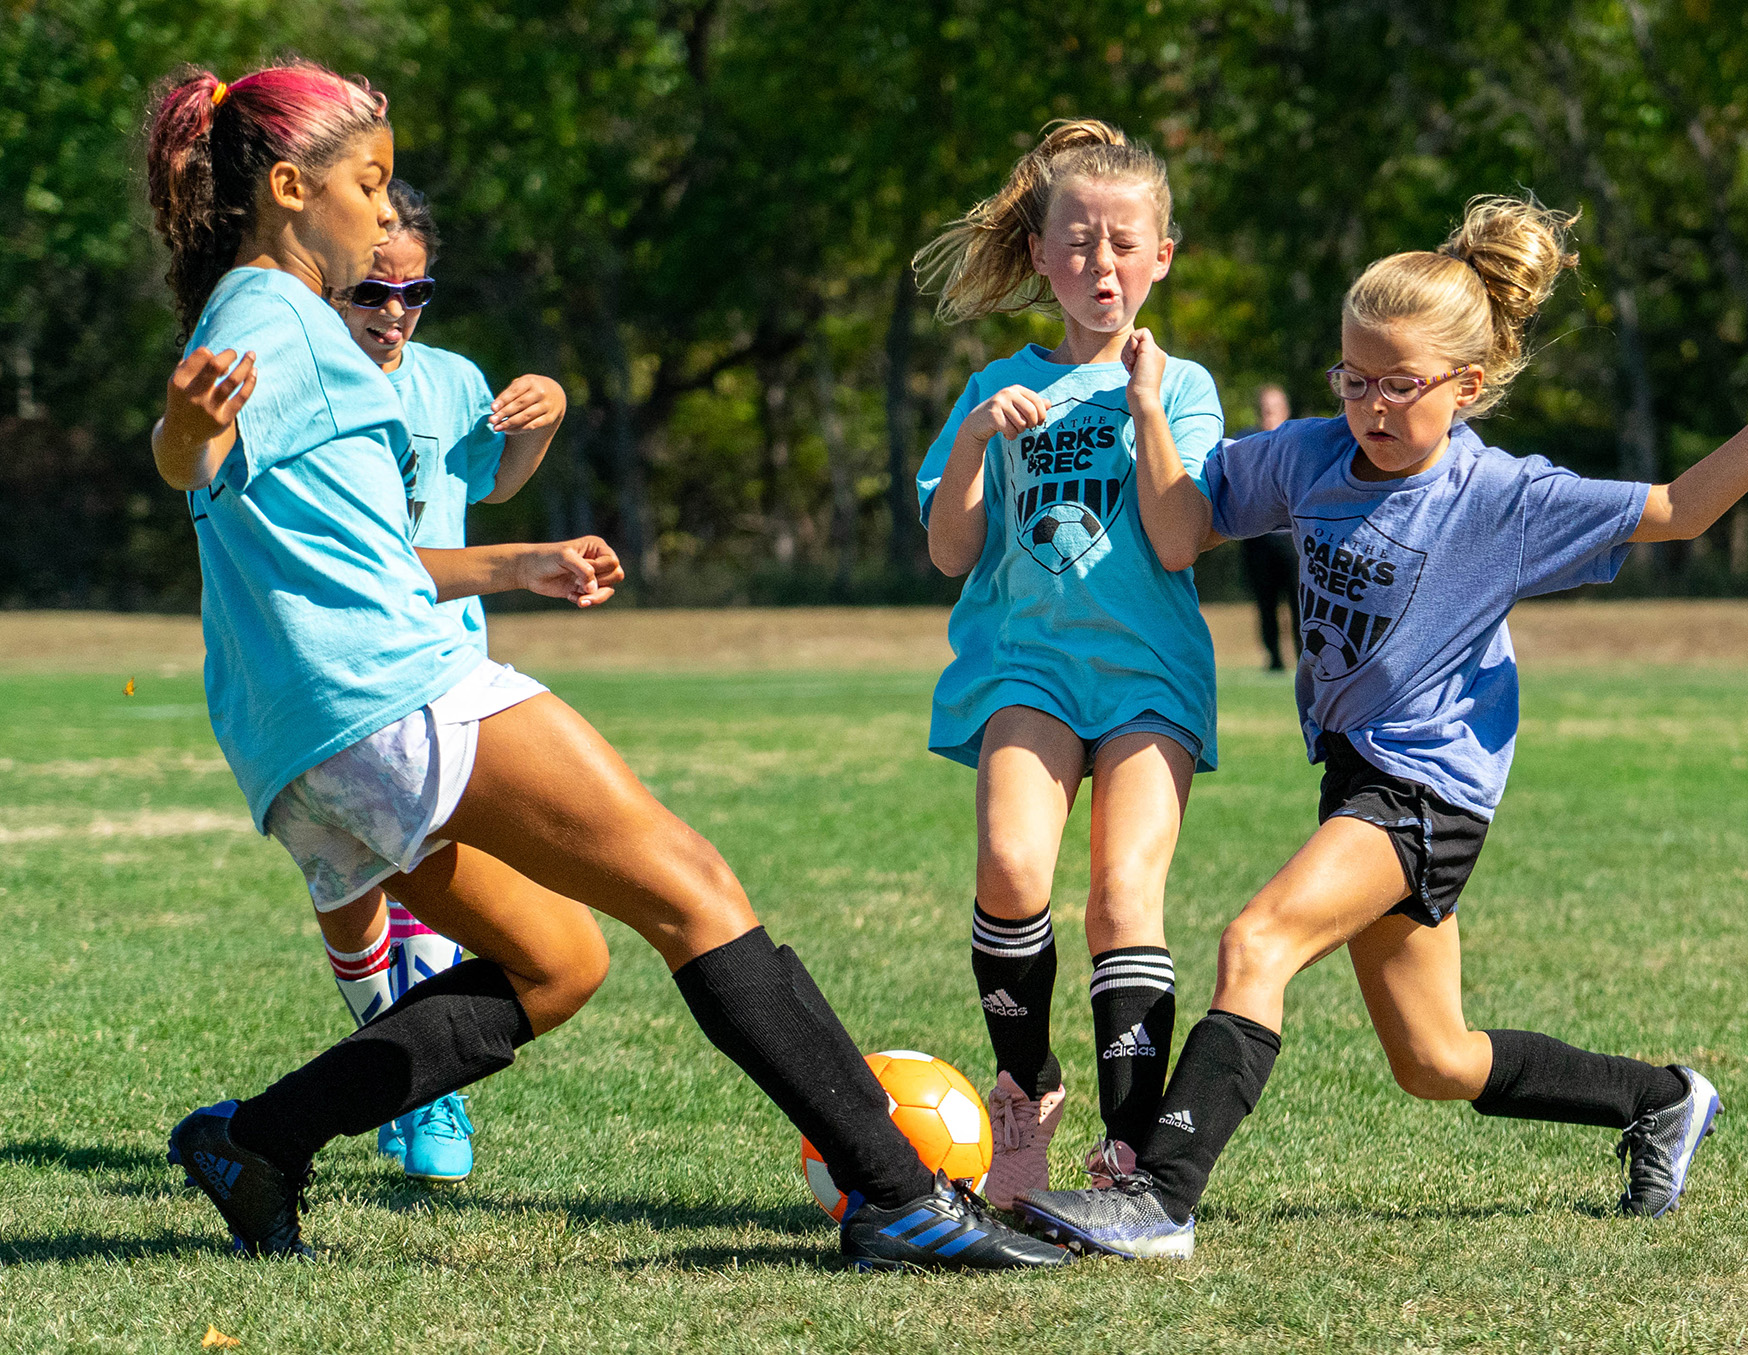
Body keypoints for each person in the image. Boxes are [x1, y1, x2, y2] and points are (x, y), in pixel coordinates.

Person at [143, 60, 1064, 1271]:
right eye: (367, 185)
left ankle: (257, 1139)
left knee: (560, 961)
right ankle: (894, 1192)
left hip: (304, 736)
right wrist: (190, 429)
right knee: (691, 885)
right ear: (284, 186)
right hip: (392, 693)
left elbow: (319, 525)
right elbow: (187, 452)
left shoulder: (274, 314)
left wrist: (512, 559)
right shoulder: (270, 313)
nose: (381, 213)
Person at [1013, 195, 1748, 1258]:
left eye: (1400, 384)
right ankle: (1661, 1097)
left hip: (1427, 789)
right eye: (1354, 375)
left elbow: (1680, 507)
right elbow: (1184, 527)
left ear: (1467, 388)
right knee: (1434, 1059)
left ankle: (1159, 1198)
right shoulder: (1308, 455)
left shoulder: (1501, 498)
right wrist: (1150, 411)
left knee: (1257, 939)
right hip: (1356, 776)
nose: (1371, 404)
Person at [913, 119, 1224, 1208]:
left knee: (1121, 894)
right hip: (1026, 665)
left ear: (1161, 256)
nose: (1101, 263)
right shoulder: (995, 385)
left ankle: (1127, 1156)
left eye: (1123, 242)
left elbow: (1183, 537)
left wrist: (1144, 407)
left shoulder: (1183, 386)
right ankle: (1026, 1083)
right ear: (1041, 256)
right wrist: (969, 442)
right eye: (1078, 241)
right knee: (1009, 869)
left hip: (1148, 673)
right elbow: (952, 550)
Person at [312, 179, 567, 1182]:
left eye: (415, 293)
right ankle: (397, 1062)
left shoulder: (453, 380)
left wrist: (544, 411)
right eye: (372, 291)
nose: (394, 315)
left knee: (434, 873)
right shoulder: (299, 384)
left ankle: (426, 1086)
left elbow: (492, 481)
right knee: (349, 890)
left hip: (442, 666)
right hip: (331, 674)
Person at [1235, 384, 1300, 671]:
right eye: (1264, 409)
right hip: (1259, 541)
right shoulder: (1247, 442)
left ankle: (1305, 659)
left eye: (1273, 408)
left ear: (1285, 411)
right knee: (1266, 602)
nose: (1268, 414)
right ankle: (1273, 659)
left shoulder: (1301, 443)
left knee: (1302, 603)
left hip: (1295, 542)